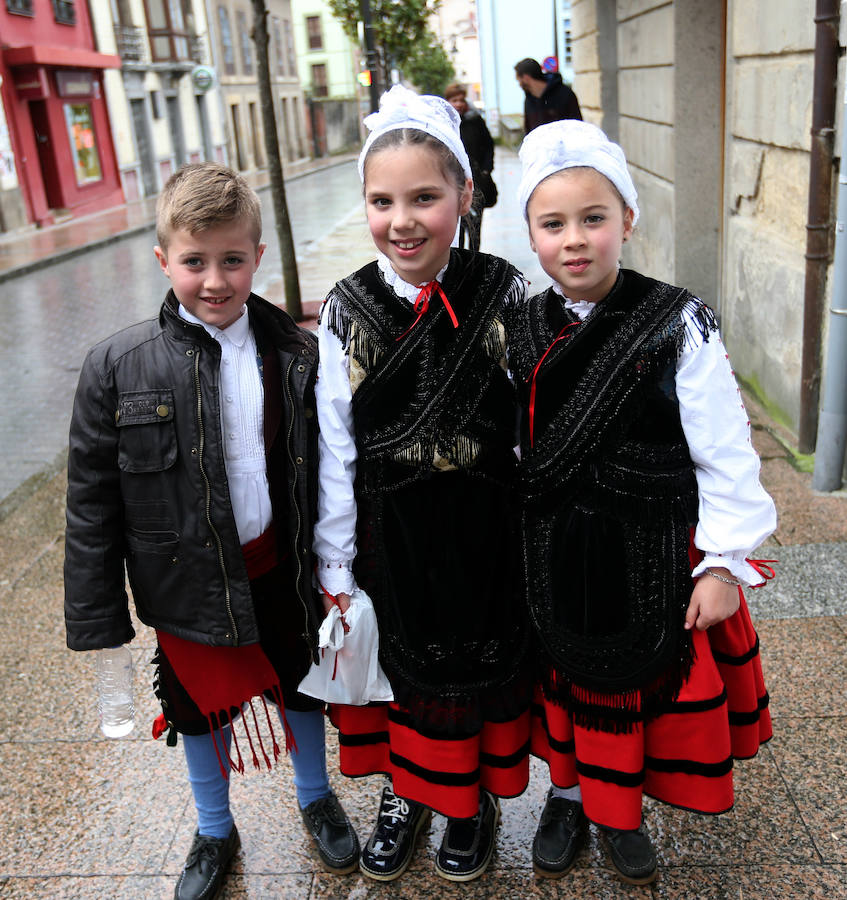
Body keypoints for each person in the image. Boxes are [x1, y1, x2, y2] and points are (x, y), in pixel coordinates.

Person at [63, 162, 359, 900]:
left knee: (302, 685)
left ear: (257, 257)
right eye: (195, 262)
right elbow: (91, 504)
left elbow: (331, 469)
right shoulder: (116, 365)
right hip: (184, 578)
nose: (215, 280)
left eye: (232, 260)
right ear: (164, 260)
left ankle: (315, 796)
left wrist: (344, 569)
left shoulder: (300, 353)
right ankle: (212, 827)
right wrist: (98, 621)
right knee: (197, 705)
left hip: (280, 565)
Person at [504, 121, 777, 886]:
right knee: (560, 681)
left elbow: (723, 450)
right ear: (529, 232)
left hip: (651, 545)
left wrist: (723, 563)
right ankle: (565, 796)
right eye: (552, 223)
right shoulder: (518, 329)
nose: (575, 240)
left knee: (630, 687)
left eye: (593, 218)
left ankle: (620, 812)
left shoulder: (677, 320)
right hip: (554, 548)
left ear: (626, 220)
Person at [313, 84, 532, 884]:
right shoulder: (346, 308)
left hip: (482, 525)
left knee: (471, 665)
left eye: (424, 198)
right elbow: (335, 442)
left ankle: (468, 802)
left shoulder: (502, 288)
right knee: (397, 675)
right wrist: (334, 563)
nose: (401, 220)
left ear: (465, 195)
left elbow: (525, 415)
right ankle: (403, 797)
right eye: (381, 200)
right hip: (386, 531)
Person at [444, 82, 496, 250]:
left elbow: (488, 145)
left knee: (475, 225)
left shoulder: (475, 121)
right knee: (456, 226)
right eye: (454, 100)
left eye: (461, 100)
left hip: (476, 180)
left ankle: (474, 262)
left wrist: (487, 169)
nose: (458, 104)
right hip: (452, 183)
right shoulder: (444, 125)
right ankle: (458, 262)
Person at [514, 57, 582, 133]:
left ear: (526, 78)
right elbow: (528, 132)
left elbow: (578, 127)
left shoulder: (565, 94)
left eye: (519, 80)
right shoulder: (528, 101)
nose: (519, 84)